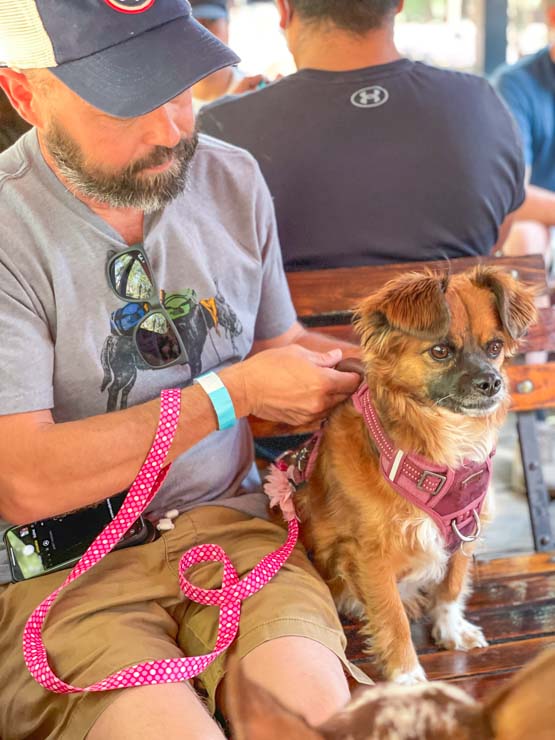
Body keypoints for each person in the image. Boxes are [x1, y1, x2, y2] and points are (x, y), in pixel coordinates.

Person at [0, 2, 369, 739]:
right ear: (23, 93)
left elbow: (273, 341)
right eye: (125, 101)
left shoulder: (232, 176)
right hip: (62, 570)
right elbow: (25, 482)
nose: (168, 128)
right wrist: (230, 396)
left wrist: (384, 373)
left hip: (233, 531)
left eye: (180, 88)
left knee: (313, 723)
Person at [198, 0, 525, 271]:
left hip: (295, 349)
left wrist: (234, 116)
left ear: (284, 10)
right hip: (448, 346)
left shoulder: (221, 129)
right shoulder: (481, 104)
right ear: (398, 4)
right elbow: (496, 237)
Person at [492, 0, 555, 272]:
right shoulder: (515, 85)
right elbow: (513, 196)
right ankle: (533, 315)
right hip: (542, 220)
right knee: (525, 235)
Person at [190, 0, 267, 112]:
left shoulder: (254, 94)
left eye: (210, 21)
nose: (202, 34)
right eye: (192, 25)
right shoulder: (168, 110)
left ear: (227, 25)